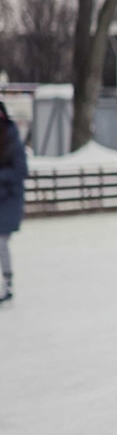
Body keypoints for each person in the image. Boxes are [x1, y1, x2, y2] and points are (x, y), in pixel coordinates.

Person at [0, 102, 27, 304]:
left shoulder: (11, 140)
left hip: (8, 199)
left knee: (0, 242)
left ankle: (7, 283)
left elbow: (20, 171)